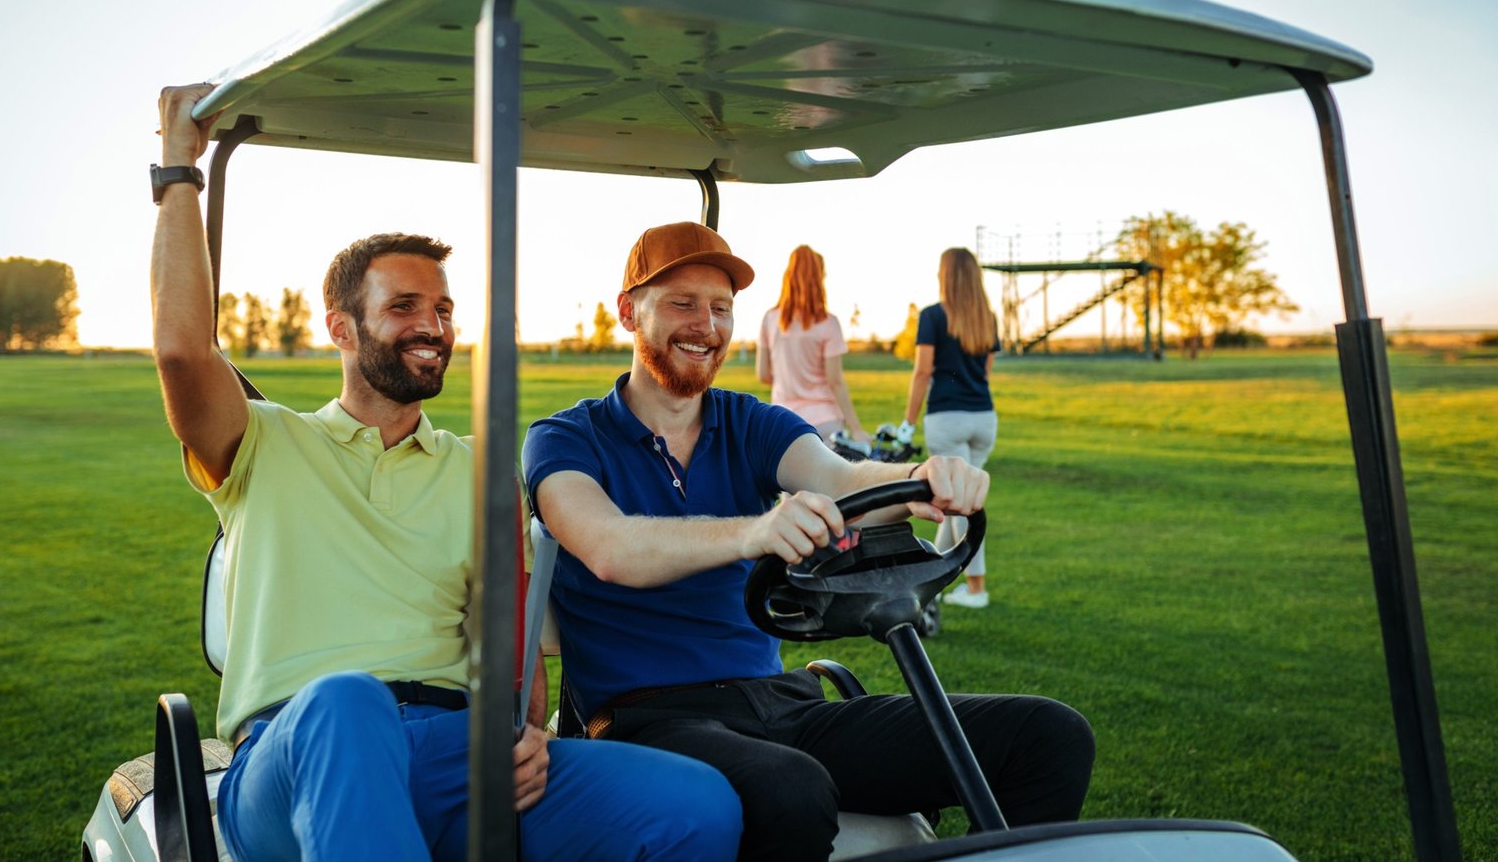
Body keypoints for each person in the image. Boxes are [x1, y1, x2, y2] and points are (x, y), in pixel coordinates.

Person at [151, 85, 741, 862]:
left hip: (457, 750)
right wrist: (178, 168)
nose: (432, 325)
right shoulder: (260, 442)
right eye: (403, 306)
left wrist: (527, 731)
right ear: (341, 326)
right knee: (347, 701)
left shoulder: (479, 470)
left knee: (698, 803)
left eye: (443, 308)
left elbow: (506, 633)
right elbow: (184, 353)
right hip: (297, 755)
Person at [523, 221, 1094, 862]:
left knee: (1049, 736)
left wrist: (918, 481)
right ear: (628, 311)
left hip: (779, 704)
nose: (705, 326)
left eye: (721, 309)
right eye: (682, 303)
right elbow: (608, 545)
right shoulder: (566, 438)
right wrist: (755, 531)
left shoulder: (750, 422)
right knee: (791, 788)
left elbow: (843, 479)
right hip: (643, 719)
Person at [902, 247, 1003, 610]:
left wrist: (907, 423)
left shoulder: (932, 316)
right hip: (984, 418)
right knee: (956, 500)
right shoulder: (987, 317)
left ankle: (976, 588)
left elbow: (922, 372)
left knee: (960, 504)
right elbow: (986, 371)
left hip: (947, 418)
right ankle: (930, 580)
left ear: (945, 275)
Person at [756, 244, 871, 447]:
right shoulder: (828, 323)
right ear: (818, 279)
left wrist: (790, 383)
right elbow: (835, 381)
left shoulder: (770, 319)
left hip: (783, 422)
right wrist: (856, 429)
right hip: (824, 421)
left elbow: (763, 374)